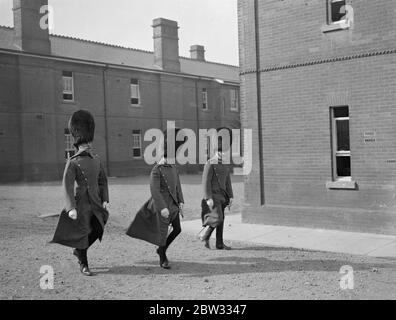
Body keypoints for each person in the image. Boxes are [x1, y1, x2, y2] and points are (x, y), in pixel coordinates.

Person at [51, 110, 109, 276]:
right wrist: (71, 208)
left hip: (96, 202)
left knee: (98, 229)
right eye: (84, 144)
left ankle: (78, 250)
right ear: (78, 143)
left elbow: (102, 180)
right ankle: (83, 262)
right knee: (84, 232)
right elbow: (67, 185)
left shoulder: (96, 159)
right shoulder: (73, 162)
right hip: (82, 203)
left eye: (88, 143)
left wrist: (105, 198)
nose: (87, 146)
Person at [127, 128, 185, 269]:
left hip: (173, 205)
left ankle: (161, 249)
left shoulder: (174, 168)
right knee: (162, 233)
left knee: (177, 229)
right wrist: (163, 207)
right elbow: (155, 191)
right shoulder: (156, 170)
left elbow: (177, 186)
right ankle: (162, 257)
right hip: (162, 206)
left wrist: (181, 201)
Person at [201, 127, 234, 250]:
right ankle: (205, 235)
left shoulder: (225, 163)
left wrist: (230, 196)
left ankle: (219, 243)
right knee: (218, 218)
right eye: (221, 151)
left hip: (222, 196)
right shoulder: (210, 163)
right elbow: (205, 181)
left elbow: (228, 181)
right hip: (213, 196)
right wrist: (207, 197)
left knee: (221, 220)